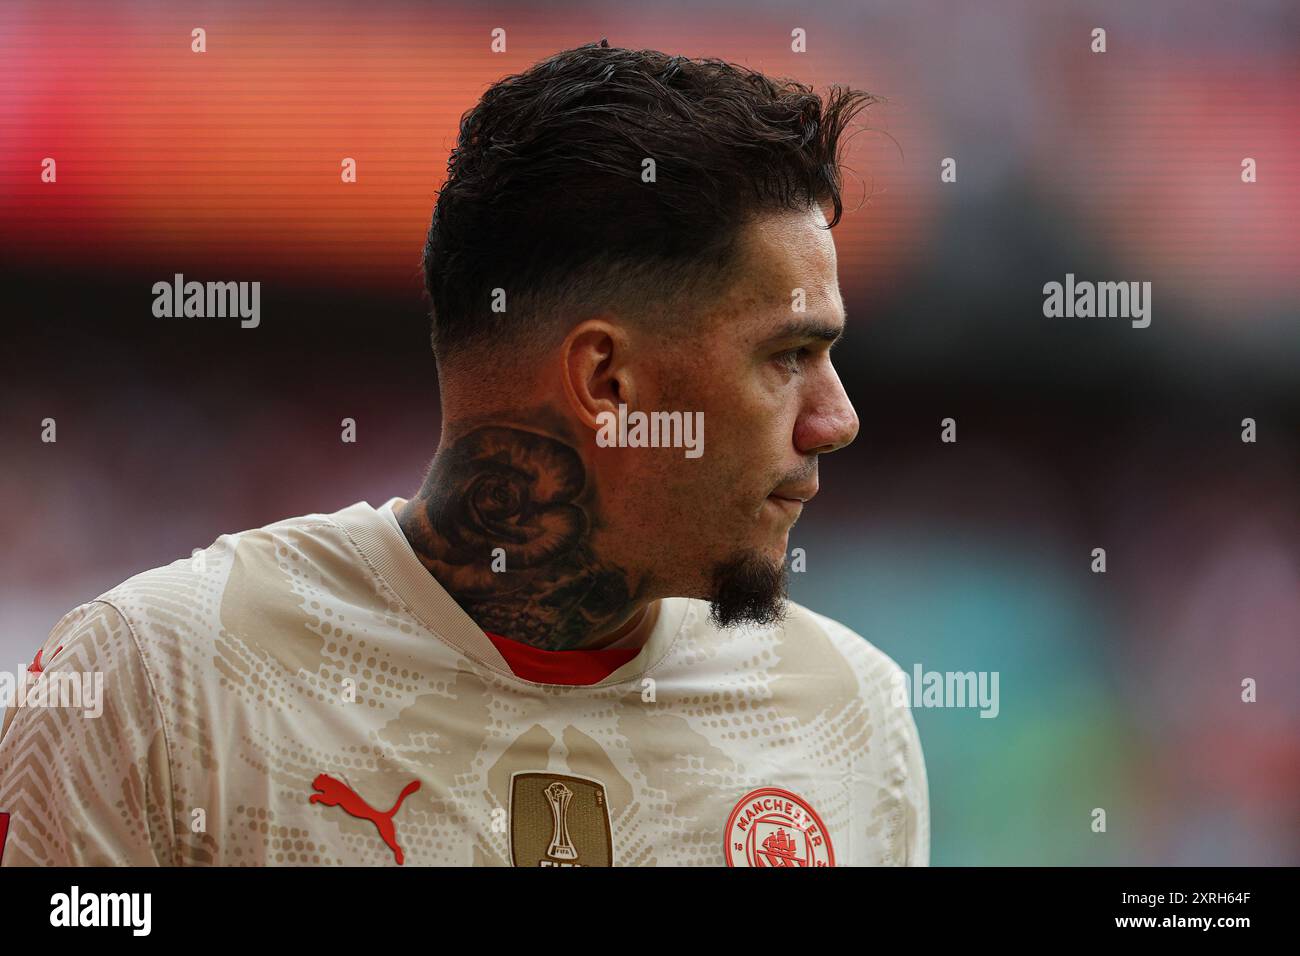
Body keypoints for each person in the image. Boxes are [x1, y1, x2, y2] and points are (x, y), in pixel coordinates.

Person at [0, 39, 927, 867]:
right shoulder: (158, 683)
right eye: (789, 356)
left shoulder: (850, 716)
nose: (834, 418)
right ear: (607, 383)